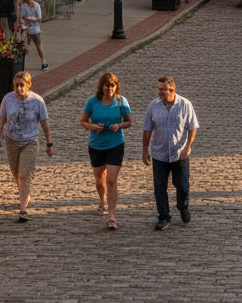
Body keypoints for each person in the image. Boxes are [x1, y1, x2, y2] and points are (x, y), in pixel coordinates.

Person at [0, 71, 53, 222]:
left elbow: (44, 123)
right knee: (16, 175)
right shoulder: (8, 99)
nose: (19, 88)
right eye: (16, 85)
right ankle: (25, 195)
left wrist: (49, 142)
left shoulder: (37, 101)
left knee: (24, 174)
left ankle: (23, 209)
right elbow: (1, 118)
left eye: (22, 85)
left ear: (28, 85)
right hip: (11, 141)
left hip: (30, 142)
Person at [142, 75, 199, 230]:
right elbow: (147, 129)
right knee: (159, 187)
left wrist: (188, 146)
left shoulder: (185, 105)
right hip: (159, 153)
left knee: (182, 184)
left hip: (179, 153)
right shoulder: (153, 106)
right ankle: (164, 217)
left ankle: (183, 206)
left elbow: (193, 127)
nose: (160, 92)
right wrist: (145, 150)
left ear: (172, 90)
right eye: (159, 89)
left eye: (163, 90)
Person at [81, 71, 132, 230]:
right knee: (99, 178)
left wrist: (119, 126)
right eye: (107, 85)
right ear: (102, 86)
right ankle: (102, 201)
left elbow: (129, 122)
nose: (110, 88)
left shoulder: (121, 101)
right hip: (96, 145)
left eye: (112, 85)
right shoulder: (92, 101)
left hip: (115, 144)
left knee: (111, 179)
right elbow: (83, 121)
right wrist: (93, 127)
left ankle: (112, 217)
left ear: (116, 87)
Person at [19, 0, 48, 71]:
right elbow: (23, 17)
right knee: (24, 47)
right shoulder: (24, 6)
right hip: (27, 30)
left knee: (39, 46)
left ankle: (44, 62)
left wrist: (32, 20)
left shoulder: (36, 5)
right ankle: (21, 64)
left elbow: (39, 17)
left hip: (35, 29)